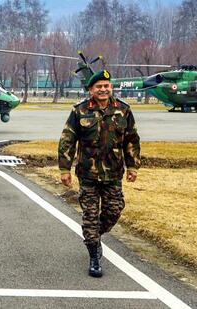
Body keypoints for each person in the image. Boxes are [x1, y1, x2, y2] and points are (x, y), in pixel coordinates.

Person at [57, 70, 140, 278]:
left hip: (113, 173)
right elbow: (68, 139)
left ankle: (95, 236)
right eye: (98, 87)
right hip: (88, 175)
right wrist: (64, 169)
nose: (103, 90)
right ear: (91, 90)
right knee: (90, 218)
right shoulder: (80, 111)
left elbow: (132, 140)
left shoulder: (123, 110)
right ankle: (94, 255)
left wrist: (133, 166)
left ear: (111, 87)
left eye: (106, 86)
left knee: (114, 210)